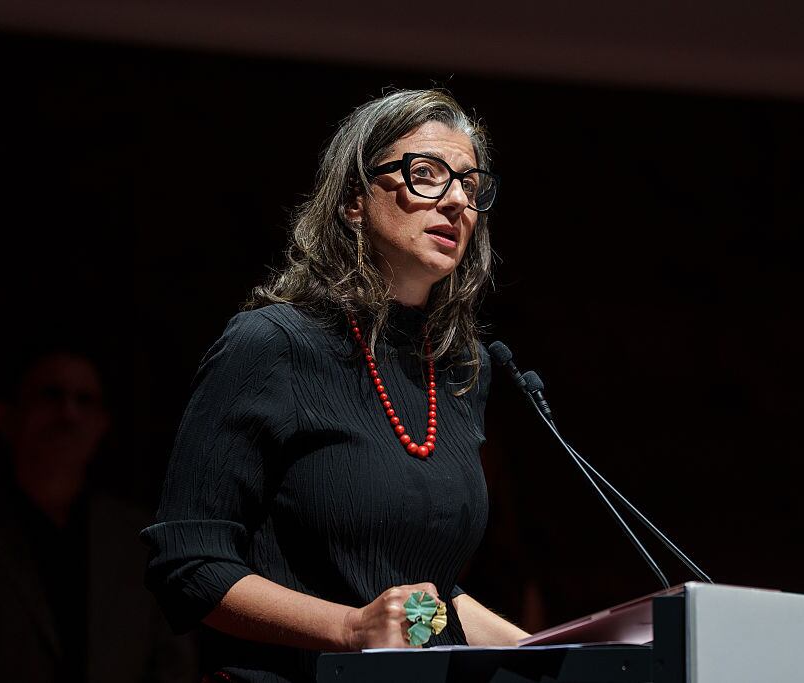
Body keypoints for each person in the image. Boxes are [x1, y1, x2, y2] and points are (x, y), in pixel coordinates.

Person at [141, 88, 529, 681]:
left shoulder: (457, 369)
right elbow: (188, 562)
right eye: (426, 174)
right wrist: (350, 629)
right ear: (353, 200)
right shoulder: (270, 345)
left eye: (471, 188)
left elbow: (424, 603)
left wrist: (560, 654)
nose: (455, 201)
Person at [0, 346, 197, 683]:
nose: (68, 413)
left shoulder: (143, 540)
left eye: (85, 399)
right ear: (6, 417)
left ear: (102, 425)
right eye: (50, 395)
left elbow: (174, 667)